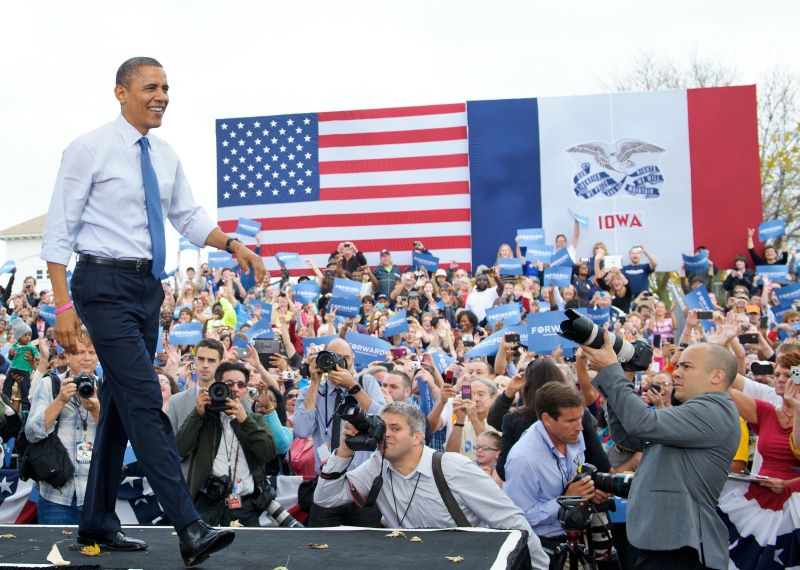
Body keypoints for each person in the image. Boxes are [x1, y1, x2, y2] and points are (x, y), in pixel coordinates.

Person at [40, 57, 265, 563]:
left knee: (120, 409)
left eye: (166, 87)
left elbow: (187, 214)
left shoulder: (163, 155)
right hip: (101, 283)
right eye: (150, 87)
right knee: (145, 400)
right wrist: (62, 304)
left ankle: (96, 522)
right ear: (121, 93)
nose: (161, 95)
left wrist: (231, 244)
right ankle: (189, 527)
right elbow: (57, 230)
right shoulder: (88, 149)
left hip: (148, 290)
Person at [314, 401, 550, 569]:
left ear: (417, 437)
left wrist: (539, 567)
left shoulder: (453, 468)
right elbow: (325, 498)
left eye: (396, 429)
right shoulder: (378, 465)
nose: (386, 435)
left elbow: (510, 521)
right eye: (382, 428)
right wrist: (343, 452)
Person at [582, 334, 740, 570]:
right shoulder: (695, 412)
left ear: (717, 376)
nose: (676, 373)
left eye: (687, 366)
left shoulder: (715, 410)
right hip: (668, 544)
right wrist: (624, 373)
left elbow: (643, 423)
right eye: (678, 366)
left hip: (681, 548)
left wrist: (611, 370)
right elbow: (626, 435)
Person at [504, 382, 614, 565]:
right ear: (547, 419)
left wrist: (589, 491)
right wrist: (566, 500)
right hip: (544, 548)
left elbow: (575, 478)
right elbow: (519, 519)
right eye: (571, 421)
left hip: (579, 537)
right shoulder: (523, 459)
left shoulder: (572, 437)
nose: (580, 427)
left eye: (580, 418)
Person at [718, 352, 800, 567]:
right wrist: (715, 352)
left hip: (795, 503)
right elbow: (723, 388)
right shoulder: (767, 412)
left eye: (789, 375)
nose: (780, 379)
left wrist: (787, 486)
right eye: (778, 374)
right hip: (761, 498)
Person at [293, 338, 385, 526]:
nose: (338, 363)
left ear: (353, 359)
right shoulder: (310, 391)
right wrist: (315, 383)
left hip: (362, 484)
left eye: (344, 358)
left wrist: (353, 387)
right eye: (333, 358)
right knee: (320, 547)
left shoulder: (366, 382)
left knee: (366, 549)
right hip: (327, 482)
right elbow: (302, 431)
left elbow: (383, 420)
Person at [176, 362, 277, 527]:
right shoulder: (204, 419)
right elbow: (181, 448)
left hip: (245, 507)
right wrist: (197, 414)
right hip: (207, 504)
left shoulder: (255, 420)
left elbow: (269, 453)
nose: (235, 388)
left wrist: (245, 421)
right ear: (217, 387)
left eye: (241, 384)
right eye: (229, 383)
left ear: (246, 390)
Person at [25, 328, 100, 524]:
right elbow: (32, 433)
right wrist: (60, 400)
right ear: (67, 354)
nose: (86, 358)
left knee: (98, 554)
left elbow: (120, 437)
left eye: (92, 352)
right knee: (54, 552)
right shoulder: (50, 384)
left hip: (96, 494)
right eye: (80, 351)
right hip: (56, 494)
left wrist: (95, 410)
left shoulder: (107, 387)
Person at [167, 338, 225, 479]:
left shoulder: (235, 399)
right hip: (188, 484)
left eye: (211, 360)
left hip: (226, 481)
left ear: (220, 364)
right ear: (195, 361)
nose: (205, 365)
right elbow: (170, 448)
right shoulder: (176, 401)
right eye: (201, 359)